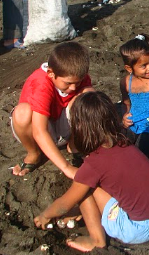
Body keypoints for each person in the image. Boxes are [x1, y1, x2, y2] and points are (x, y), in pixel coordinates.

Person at [33, 91, 149, 253]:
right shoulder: (124, 143)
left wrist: (45, 215)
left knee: (85, 190)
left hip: (136, 229)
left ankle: (96, 240)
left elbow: (64, 205)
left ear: (79, 128)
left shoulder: (93, 164)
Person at [10, 41, 94, 178]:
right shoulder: (41, 84)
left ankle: (74, 144)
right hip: (39, 129)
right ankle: (34, 153)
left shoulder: (78, 75)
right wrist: (66, 167)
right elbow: (39, 131)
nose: (73, 87)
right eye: (68, 83)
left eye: (77, 82)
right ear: (50, 73)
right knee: (22, 113)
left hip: (64, 127)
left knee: (89, 94)